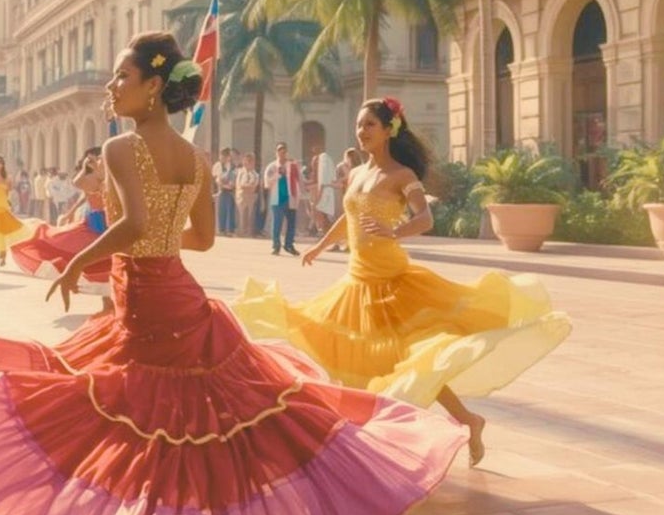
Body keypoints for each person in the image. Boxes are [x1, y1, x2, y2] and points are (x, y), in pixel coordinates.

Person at [0, 34, 465, 515]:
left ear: (154, 86)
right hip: (176, 295)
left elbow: (133, 223)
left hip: (148, 306)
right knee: (181, 431)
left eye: (122, 77)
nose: (112, 87)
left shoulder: (121, 147)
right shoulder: (193, 156)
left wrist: (81, 261)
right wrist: (155, 238)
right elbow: (202, 239)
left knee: (139, 426)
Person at [234, 96, 572, 466]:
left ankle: (448, 423)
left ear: (388, 130)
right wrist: (319, 246)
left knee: (413, 360)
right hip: (356, 282)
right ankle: (454, 422)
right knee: (353, 355)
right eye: (359, 124)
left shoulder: (402, 176)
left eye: (369, 125)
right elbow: (348, 218)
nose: (361, 131)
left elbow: (425, 218)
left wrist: (393, 231)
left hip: (393, 282)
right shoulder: (357, 173)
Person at [10, 146, 112, 300]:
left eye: (97, 158)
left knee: (106, 260)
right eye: (91, 159)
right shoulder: (90, 177)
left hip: (107, 220)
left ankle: (110, 302)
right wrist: (86, 167)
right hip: (93, 220)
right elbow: (79, 187)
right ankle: (106, 302)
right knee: (91, 259)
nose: (94, 161)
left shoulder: (110, 175)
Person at [263, 142, 301, 256]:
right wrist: (278, 175)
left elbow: (298, 181)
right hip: (277, 199)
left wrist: (299, 195)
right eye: (279, 151)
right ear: (276, 153)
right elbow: (267, 183)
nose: (282, 154)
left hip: (290, 198)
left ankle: (289, 245)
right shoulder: (272, 167)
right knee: (277, 223)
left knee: (291, 223)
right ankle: (276, 245)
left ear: (286, 153)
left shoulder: (292, 166)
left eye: (284, 152)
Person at [311, 143, 337, 235]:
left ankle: (325, 232)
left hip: (324, 192)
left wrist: (318, 198)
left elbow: (323, 182)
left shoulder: (323, 159)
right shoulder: (326, 159)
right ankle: (324, 231)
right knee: (323, 213)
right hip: (326, 190)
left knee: (323, 213)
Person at [213, 147, 238, 237]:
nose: (223, 158)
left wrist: (230, 184)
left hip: (230, 191)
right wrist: (222, 184)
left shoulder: (232, 166)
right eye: (221, 155)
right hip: (220, 190)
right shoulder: (217, 165)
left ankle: (230, 230)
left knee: (230, 210)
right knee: (221, 211)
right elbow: (216, 178)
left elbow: (234, 176)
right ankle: (221, 229)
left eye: (225, 156)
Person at [234, 151, 260, 238]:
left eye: (250, 161)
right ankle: (241, 232)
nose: (248, 163)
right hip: (241, 197)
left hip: (251, 197)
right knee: (241, 215)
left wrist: (247, 186)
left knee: (250, 215)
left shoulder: (255, 174)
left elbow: (254, 186)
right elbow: (240, 185)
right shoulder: (240, 172)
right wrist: (247, 186)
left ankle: (249, 233)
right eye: (246, 160)